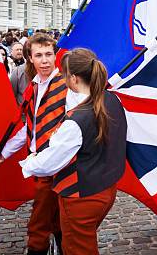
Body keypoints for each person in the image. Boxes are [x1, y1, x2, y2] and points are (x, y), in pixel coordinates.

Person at [19, 48, 127, 254]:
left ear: (74, 79)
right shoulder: (112, 100)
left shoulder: (77, 121)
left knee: (77, 249)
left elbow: (50, 162)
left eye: (64, 74)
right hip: (107, 189)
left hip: (82, 197)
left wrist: (29, 162)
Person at [0, 33, 74, 255]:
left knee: (39, 222)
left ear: (55, 55)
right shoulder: (33, 87)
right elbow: (29, 128)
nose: (45, 60)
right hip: (41, 162)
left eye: (49, 54)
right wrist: (3, 153)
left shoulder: (67, 85)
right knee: (54, 218)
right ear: (30, 58)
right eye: (39, 55)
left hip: (61, 163)